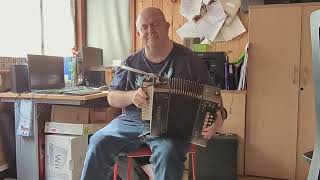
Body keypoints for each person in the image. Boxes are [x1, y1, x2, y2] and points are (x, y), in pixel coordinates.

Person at [80, 7, 224, 180]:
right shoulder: (130, 62)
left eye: (155, 24)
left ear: (167, 26)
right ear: (139, 32)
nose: (150, 31)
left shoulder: (189, 60)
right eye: (144, 27)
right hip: (131, 123)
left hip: (171, 129)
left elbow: (214, 97)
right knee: (98, 141)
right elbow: (112, 97)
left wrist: (218, 117)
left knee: (169, 152)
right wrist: (131, 96)